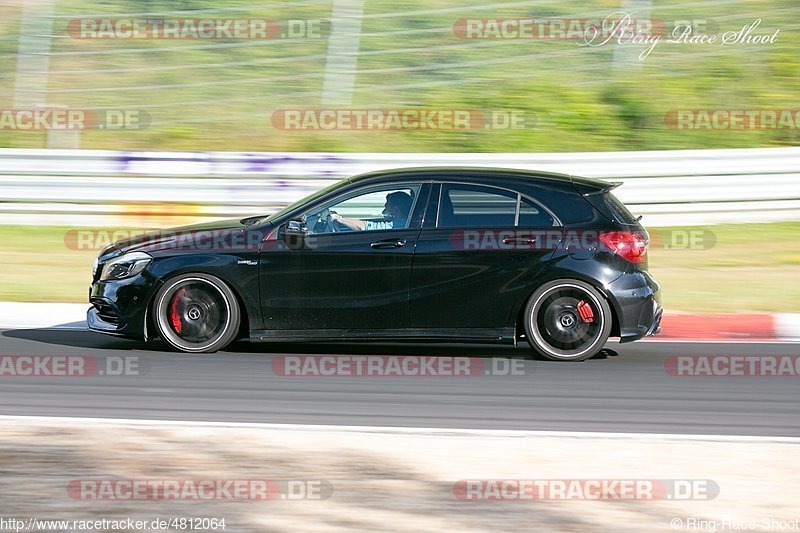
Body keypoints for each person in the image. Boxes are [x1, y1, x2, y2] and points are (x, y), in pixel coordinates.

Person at [327, 191, 413, 231]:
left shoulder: (399, 225)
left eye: (386, 208)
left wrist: (338, 219)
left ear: (395, 210)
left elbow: (363, 227)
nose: (383, 212)